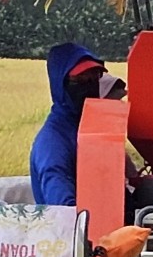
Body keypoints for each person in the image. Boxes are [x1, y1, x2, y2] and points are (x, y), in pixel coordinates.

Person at [28, 42, 122, 209]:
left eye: (94, 78)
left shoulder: (92, 127)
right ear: (60, 84)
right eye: (79, 80)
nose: (89, 85)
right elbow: (63, 207)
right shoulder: (52, 143)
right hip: (71, 231)